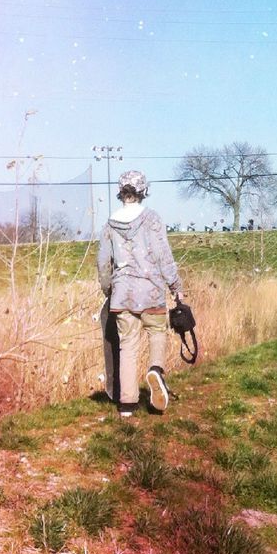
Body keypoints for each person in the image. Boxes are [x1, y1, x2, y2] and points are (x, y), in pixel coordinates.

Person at [96, 170, 184, 418]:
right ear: (144, 191)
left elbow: (103, 263)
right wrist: (176, 288)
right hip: (151, 290)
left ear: (120, 192)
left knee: (127, 347)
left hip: (122, 295)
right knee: (157, 331)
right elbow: (163, 257)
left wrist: (108, 290)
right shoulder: (152, 219)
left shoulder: (109, 225)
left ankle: (127, 405)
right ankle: (155, 370)